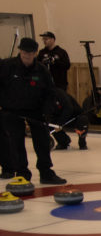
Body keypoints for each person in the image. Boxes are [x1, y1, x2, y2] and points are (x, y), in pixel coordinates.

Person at [0, 37, 65, 184]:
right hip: (12, 112)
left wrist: (47, 112)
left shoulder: (41, 70)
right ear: (20, 51)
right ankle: (22, 173)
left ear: (35, 53)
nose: (27, 56)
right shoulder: (7, 66)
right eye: (24, 52)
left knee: (42, 143)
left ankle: (46, 172)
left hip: (36, 112)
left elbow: (50, 93)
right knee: (16, 144)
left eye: (30, 53)